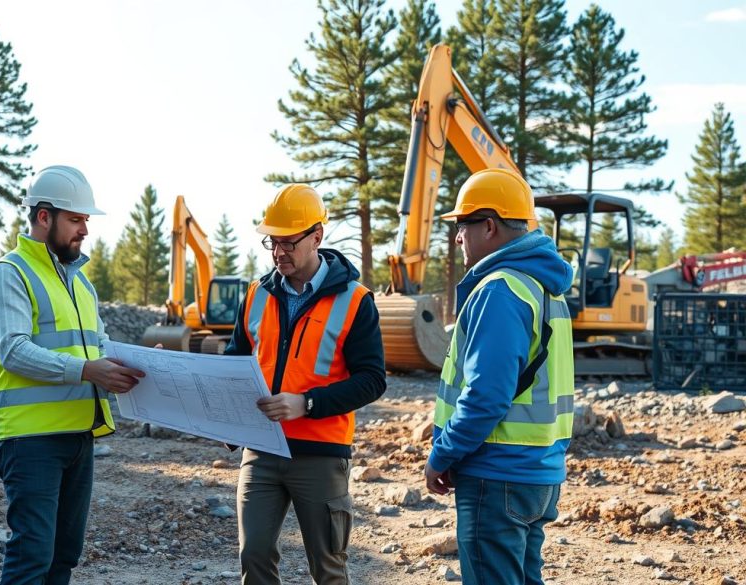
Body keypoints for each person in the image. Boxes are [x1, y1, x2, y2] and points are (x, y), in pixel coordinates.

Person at [0, 165, 146, 585]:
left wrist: (144, 362)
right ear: (44, 217)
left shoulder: (80, 283)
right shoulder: (10, 274)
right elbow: (14, 352)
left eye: (86, 220)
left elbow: (99, 346)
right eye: (76, 219)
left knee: (63, 554)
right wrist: (87, 370)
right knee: (32, 553)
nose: (84, 230)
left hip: (77, 435)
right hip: (29, 439)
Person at [225, 184, 386, 585]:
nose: (279, 252)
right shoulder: (256, 294)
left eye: (288, 242)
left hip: (320, 453)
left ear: (317, 236)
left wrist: (306, 404)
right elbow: (235, 363)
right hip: (260, 449)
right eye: (272, 242)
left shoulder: (355, 300)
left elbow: (372, 380)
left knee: (328, 567)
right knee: (254, 556)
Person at [423, 168, 575, 585]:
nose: (457, 237)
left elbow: (487, 396)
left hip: (497, 475)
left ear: (488, 226)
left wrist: (443, 453)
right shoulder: (544, 288)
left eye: (462, 225)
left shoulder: (499, 290)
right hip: (538, 472)